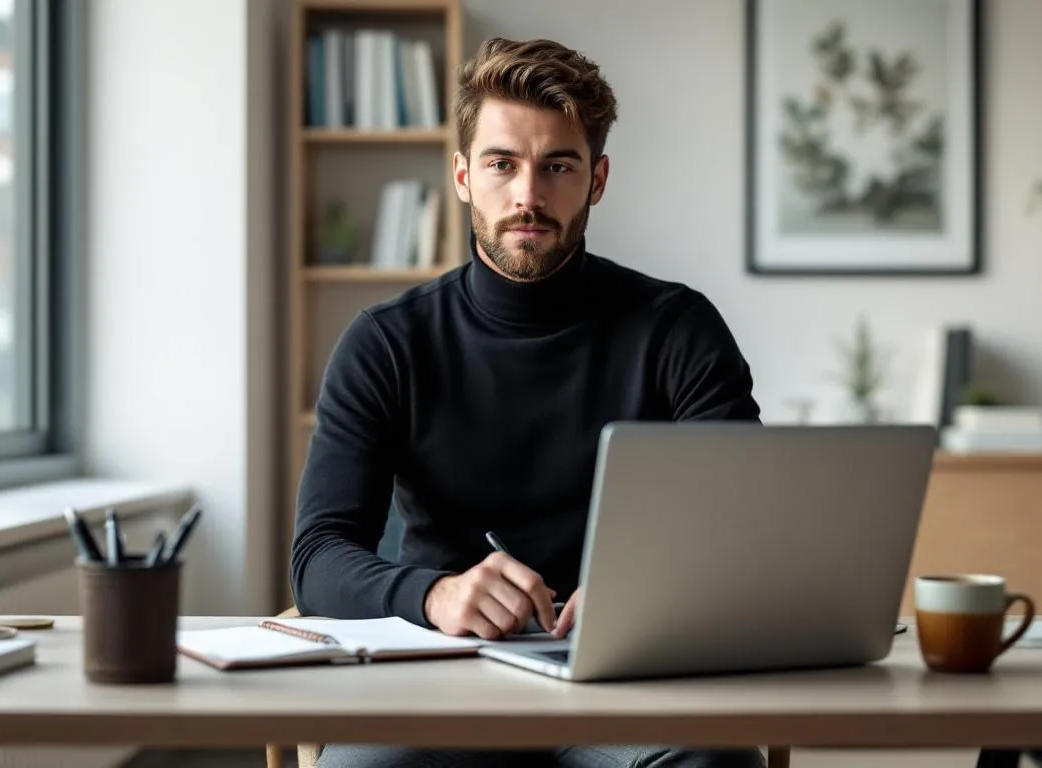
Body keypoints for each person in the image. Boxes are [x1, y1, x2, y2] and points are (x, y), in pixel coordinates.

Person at [291, 36, 763, 768]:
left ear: (597, 179)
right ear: (461, 175)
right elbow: (318, 556)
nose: (528, 196)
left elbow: (746, 528)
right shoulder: (385, 342)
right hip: (439, 677)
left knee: (710, 761)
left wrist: (650, 605)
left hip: (624, 684)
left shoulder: (678, 329)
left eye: (558, 166)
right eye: (502, 163)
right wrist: (435, 594)